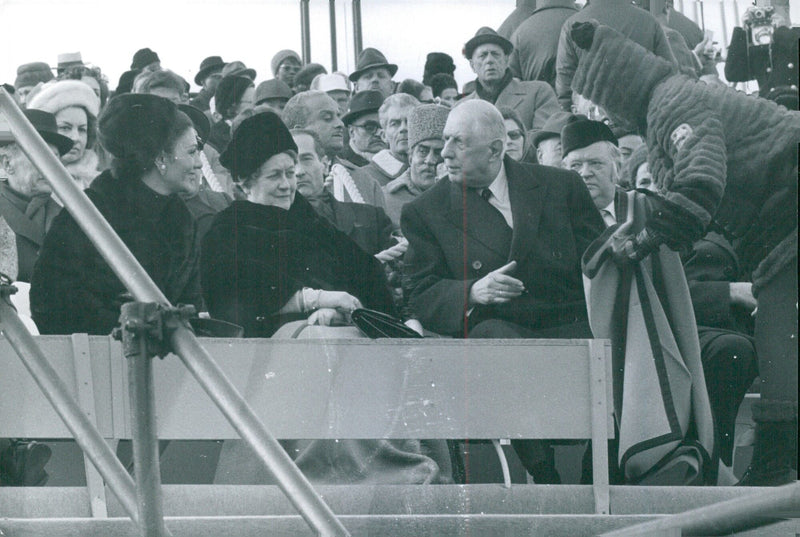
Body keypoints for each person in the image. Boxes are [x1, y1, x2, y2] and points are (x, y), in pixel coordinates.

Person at [570, 21, 800, 485]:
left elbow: (701, 179)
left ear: (619, 85)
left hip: (788, 202)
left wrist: (646, 241)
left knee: (779, 338)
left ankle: (774, 469)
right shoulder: (668, 104)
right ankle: (775, 467)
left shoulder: (670, 102)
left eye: (607, 103)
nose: (609, 119)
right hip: (782, 216)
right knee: (781, 338)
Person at [201, 111, 396, 337]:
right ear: (246, 184)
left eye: (290, 173)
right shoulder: (227, 230)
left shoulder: (310, 221)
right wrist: (314, 300)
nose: (286, 185)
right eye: (274, 176)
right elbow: (235, 300)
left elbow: (365, 271)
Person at [30, 94, 204, 335]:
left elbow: (193, 304)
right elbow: (52, 304)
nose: (199, 163)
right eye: (192, 151)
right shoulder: (89, 215)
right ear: (160, 158)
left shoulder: (182, 220)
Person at [554, 0, 677, 111]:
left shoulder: (572, 25)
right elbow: (671, 77)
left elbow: (565, 90)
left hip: (594, 125)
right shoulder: (649, 21)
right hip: (642, 121)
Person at [291, 128, 396, 258]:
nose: (299, 171)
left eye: (306, 159)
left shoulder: (371, 220)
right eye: (291, 163)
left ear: (324, 164)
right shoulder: (271, 226)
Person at [0, 110, 72, 283]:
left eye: (54, 159)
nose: (50, 167)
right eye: (39, 156)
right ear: (7, 163)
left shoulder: (70, 218)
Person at [283, 90, 385, 207]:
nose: (340, 124)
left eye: (338, 116)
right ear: (300, 130)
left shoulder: (365, 181)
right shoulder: (276, 182)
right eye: (327, 118)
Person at [459, 27, 559, 134]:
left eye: (495, 54)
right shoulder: (461, 108)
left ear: (506, 60)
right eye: (483, 56)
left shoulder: (538, 92)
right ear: (472, 65)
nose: (490, 60)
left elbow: (544, 139)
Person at [383, 104, 448, 230]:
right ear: (411, 156)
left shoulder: (460, 198)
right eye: (423, 151)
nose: (430, 160)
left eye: (438, 152)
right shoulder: (385, 198)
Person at [27, 80, 101, 189]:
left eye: (82, 130)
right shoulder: (28, 184)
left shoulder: (98, 184)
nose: (76, 137)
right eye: (65, 128)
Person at [560, 116, 622, 226]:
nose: (585, 173)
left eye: (595, 163)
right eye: (575, 165)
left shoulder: (642, 208)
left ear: (617, 167)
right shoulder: (555, 221)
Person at [351, 93, 418, 188]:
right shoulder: (364, 177)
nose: (403, 128)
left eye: (410, 122)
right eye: (395, 124)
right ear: (384, 136)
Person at [508, 0, 578, 87]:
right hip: (581, 97)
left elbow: (513, 82)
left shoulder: (519, 32)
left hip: (539, 98)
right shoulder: (586, 21)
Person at [339, 90, 386, 169]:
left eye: (384, 126)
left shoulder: (400, 163)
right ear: (352, 132)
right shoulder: (340, 164)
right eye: (370, 127)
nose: (379, 133)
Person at [207, 75, 255, 152]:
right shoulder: (213, 139)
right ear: (233, 105)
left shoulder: (257, 130)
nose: (256, 107)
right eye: (251, 102)